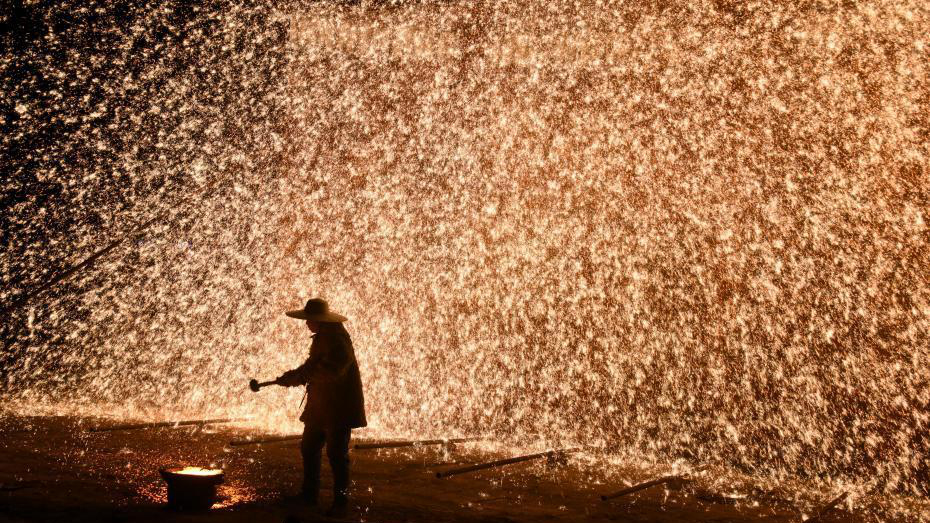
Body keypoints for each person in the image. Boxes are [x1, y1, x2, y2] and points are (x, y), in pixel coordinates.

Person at [270, 297, 366, 516]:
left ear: (318, 320)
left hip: (338, 408)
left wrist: (301, 376)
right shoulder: (323, 336)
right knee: (309, 448)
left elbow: (331, 370)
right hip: (321, 406)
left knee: (336, 454)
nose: (306, 323)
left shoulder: (338, 340)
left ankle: (340, 503)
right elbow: (312, 366)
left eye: (308, 319)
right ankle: (309, 495)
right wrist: (292, 376)